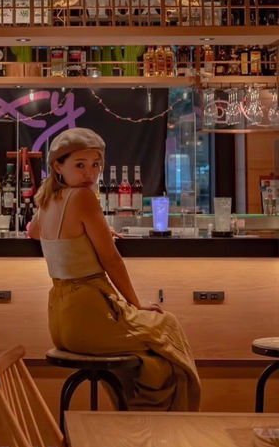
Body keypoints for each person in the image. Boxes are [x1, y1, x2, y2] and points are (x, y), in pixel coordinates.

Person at [28, 127, 201, 411]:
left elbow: (34, 232)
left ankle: (133, 418)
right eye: (80, 165)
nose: (90, 174)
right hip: (89, 314)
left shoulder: (48, 199)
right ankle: (152, 423)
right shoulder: (83, 197)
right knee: (167, 328)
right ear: (57, 165)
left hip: (60, 322)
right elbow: (111, 260)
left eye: (96, 165)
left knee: (157, 346)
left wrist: (93, 231)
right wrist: (136, 304)